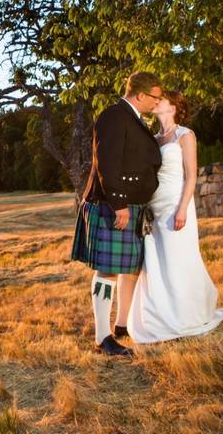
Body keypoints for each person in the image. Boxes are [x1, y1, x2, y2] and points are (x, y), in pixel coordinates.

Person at [71, 71, 163, 356]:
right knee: (109, 269)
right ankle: (103, 337)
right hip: (113, 206)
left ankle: (122, 326)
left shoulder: (132, 118)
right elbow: (106, 163)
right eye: (155, 97)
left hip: (130, 207)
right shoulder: (114, 115)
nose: (158, 103)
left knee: (130, 268)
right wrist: (119, 203)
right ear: (140, 95)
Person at [127, 90, 223, 343]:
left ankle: (186, 314)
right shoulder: (153, 138)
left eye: (161, 99)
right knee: (156, 260)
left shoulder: (185, 135)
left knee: (179, 258)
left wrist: (183, 208)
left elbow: (191, 175)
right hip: (154, 207)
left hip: (175, 204)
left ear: (173, 107)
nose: (156, 101)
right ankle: (159, 315)